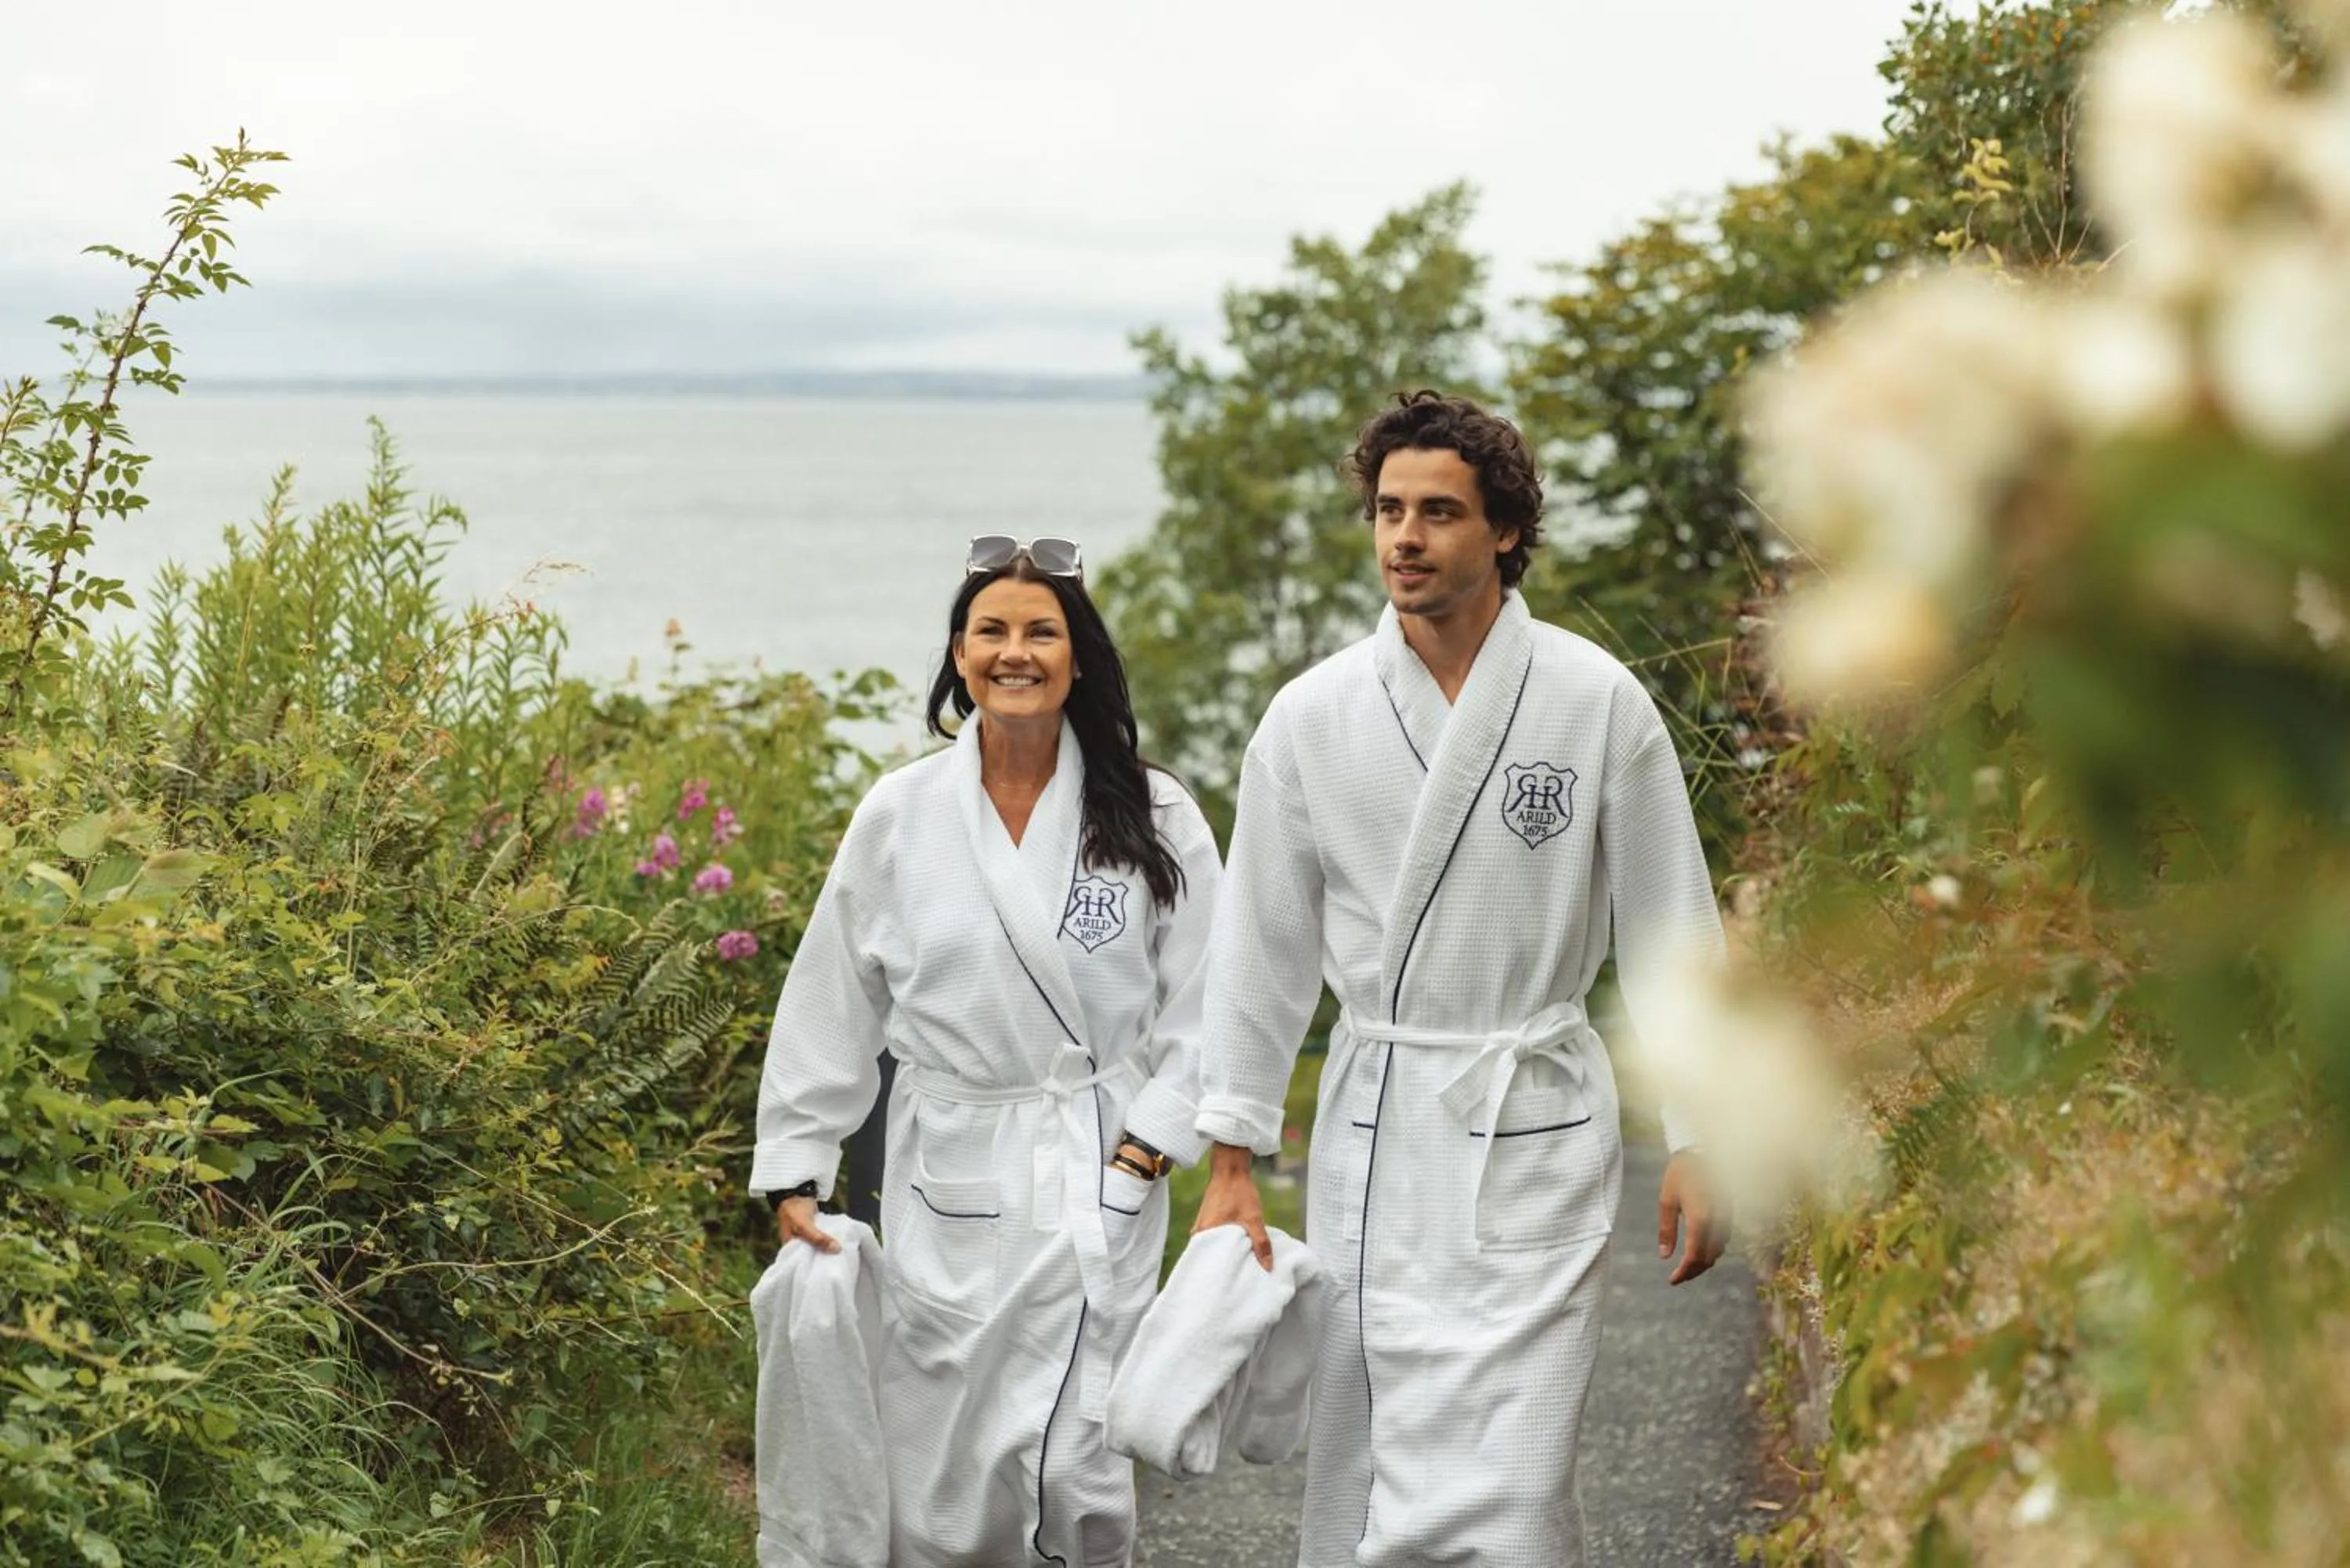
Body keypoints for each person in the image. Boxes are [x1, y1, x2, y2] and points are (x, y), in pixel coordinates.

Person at [1190, 392, 1731, 1567]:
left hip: (1535, 1120)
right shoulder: (1310, 720)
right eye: (1389, 510)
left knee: (1518, 1488)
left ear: (1505, 532)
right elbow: (1259, 953)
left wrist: (1700, 1132)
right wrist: (1232, 1158)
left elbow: (1670, 930)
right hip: (1380, 1129)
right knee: (1375, 1456)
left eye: (1440, 511)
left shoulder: (1595, 704)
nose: (1406, 536)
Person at [748, 535, 1223, 1567]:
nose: (1017, 650)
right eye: (992, 630)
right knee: (946, 1468)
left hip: (1100, 1164)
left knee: (1072, 1462)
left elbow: (1207, 1005)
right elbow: (835, 993)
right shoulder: (901, 815)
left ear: (1078, 656)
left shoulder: (1156, 813)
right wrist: (797, 1165)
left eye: (1041, 631)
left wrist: (1146, 1153)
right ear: (959, 657)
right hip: (948, 1168)